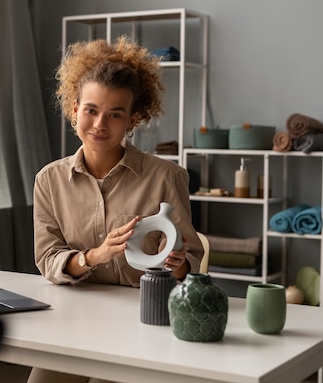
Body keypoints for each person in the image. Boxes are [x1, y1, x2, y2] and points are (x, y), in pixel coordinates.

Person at [28, 36, 203, 383]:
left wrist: (181, 264)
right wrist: (95, 256)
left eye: (115, 114)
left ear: (133, 120)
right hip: (75, 320)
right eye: (91, 110)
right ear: (75, 108)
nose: (99, 125)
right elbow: (48, 259)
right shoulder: (49, 181)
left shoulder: (167, 177)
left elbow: (192, 262)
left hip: (146, 323)